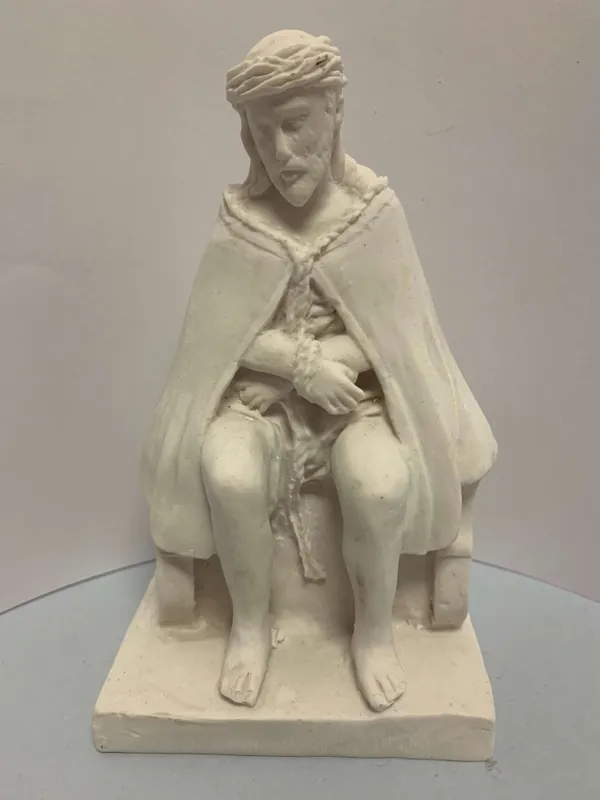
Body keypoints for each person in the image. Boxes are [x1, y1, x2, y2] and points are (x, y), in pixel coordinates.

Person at [142, 30, 497, 712]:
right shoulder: (241, 220)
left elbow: (401, 333)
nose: (281, 151)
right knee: (228, 470)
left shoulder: (373, 217)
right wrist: (299, 366)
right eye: (262, 132)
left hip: (356, 406)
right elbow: (214, 336)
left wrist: (340, 364)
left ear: (334, 112)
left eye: (296, 124)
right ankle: (250, 626)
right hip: (258, 404)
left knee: (381, 482)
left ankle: (373, 635)